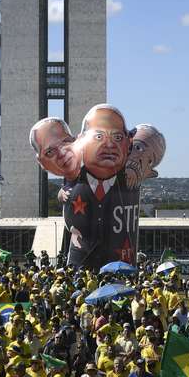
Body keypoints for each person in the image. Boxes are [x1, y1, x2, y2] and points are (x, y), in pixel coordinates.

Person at [63, 104, 140, 268]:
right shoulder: (74, 177)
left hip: (119, 265)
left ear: (128, 143)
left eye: (117, 138)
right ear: (81, 141)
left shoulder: (130, 182)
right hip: (79, 262)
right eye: (99, 137)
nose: (110, 145)